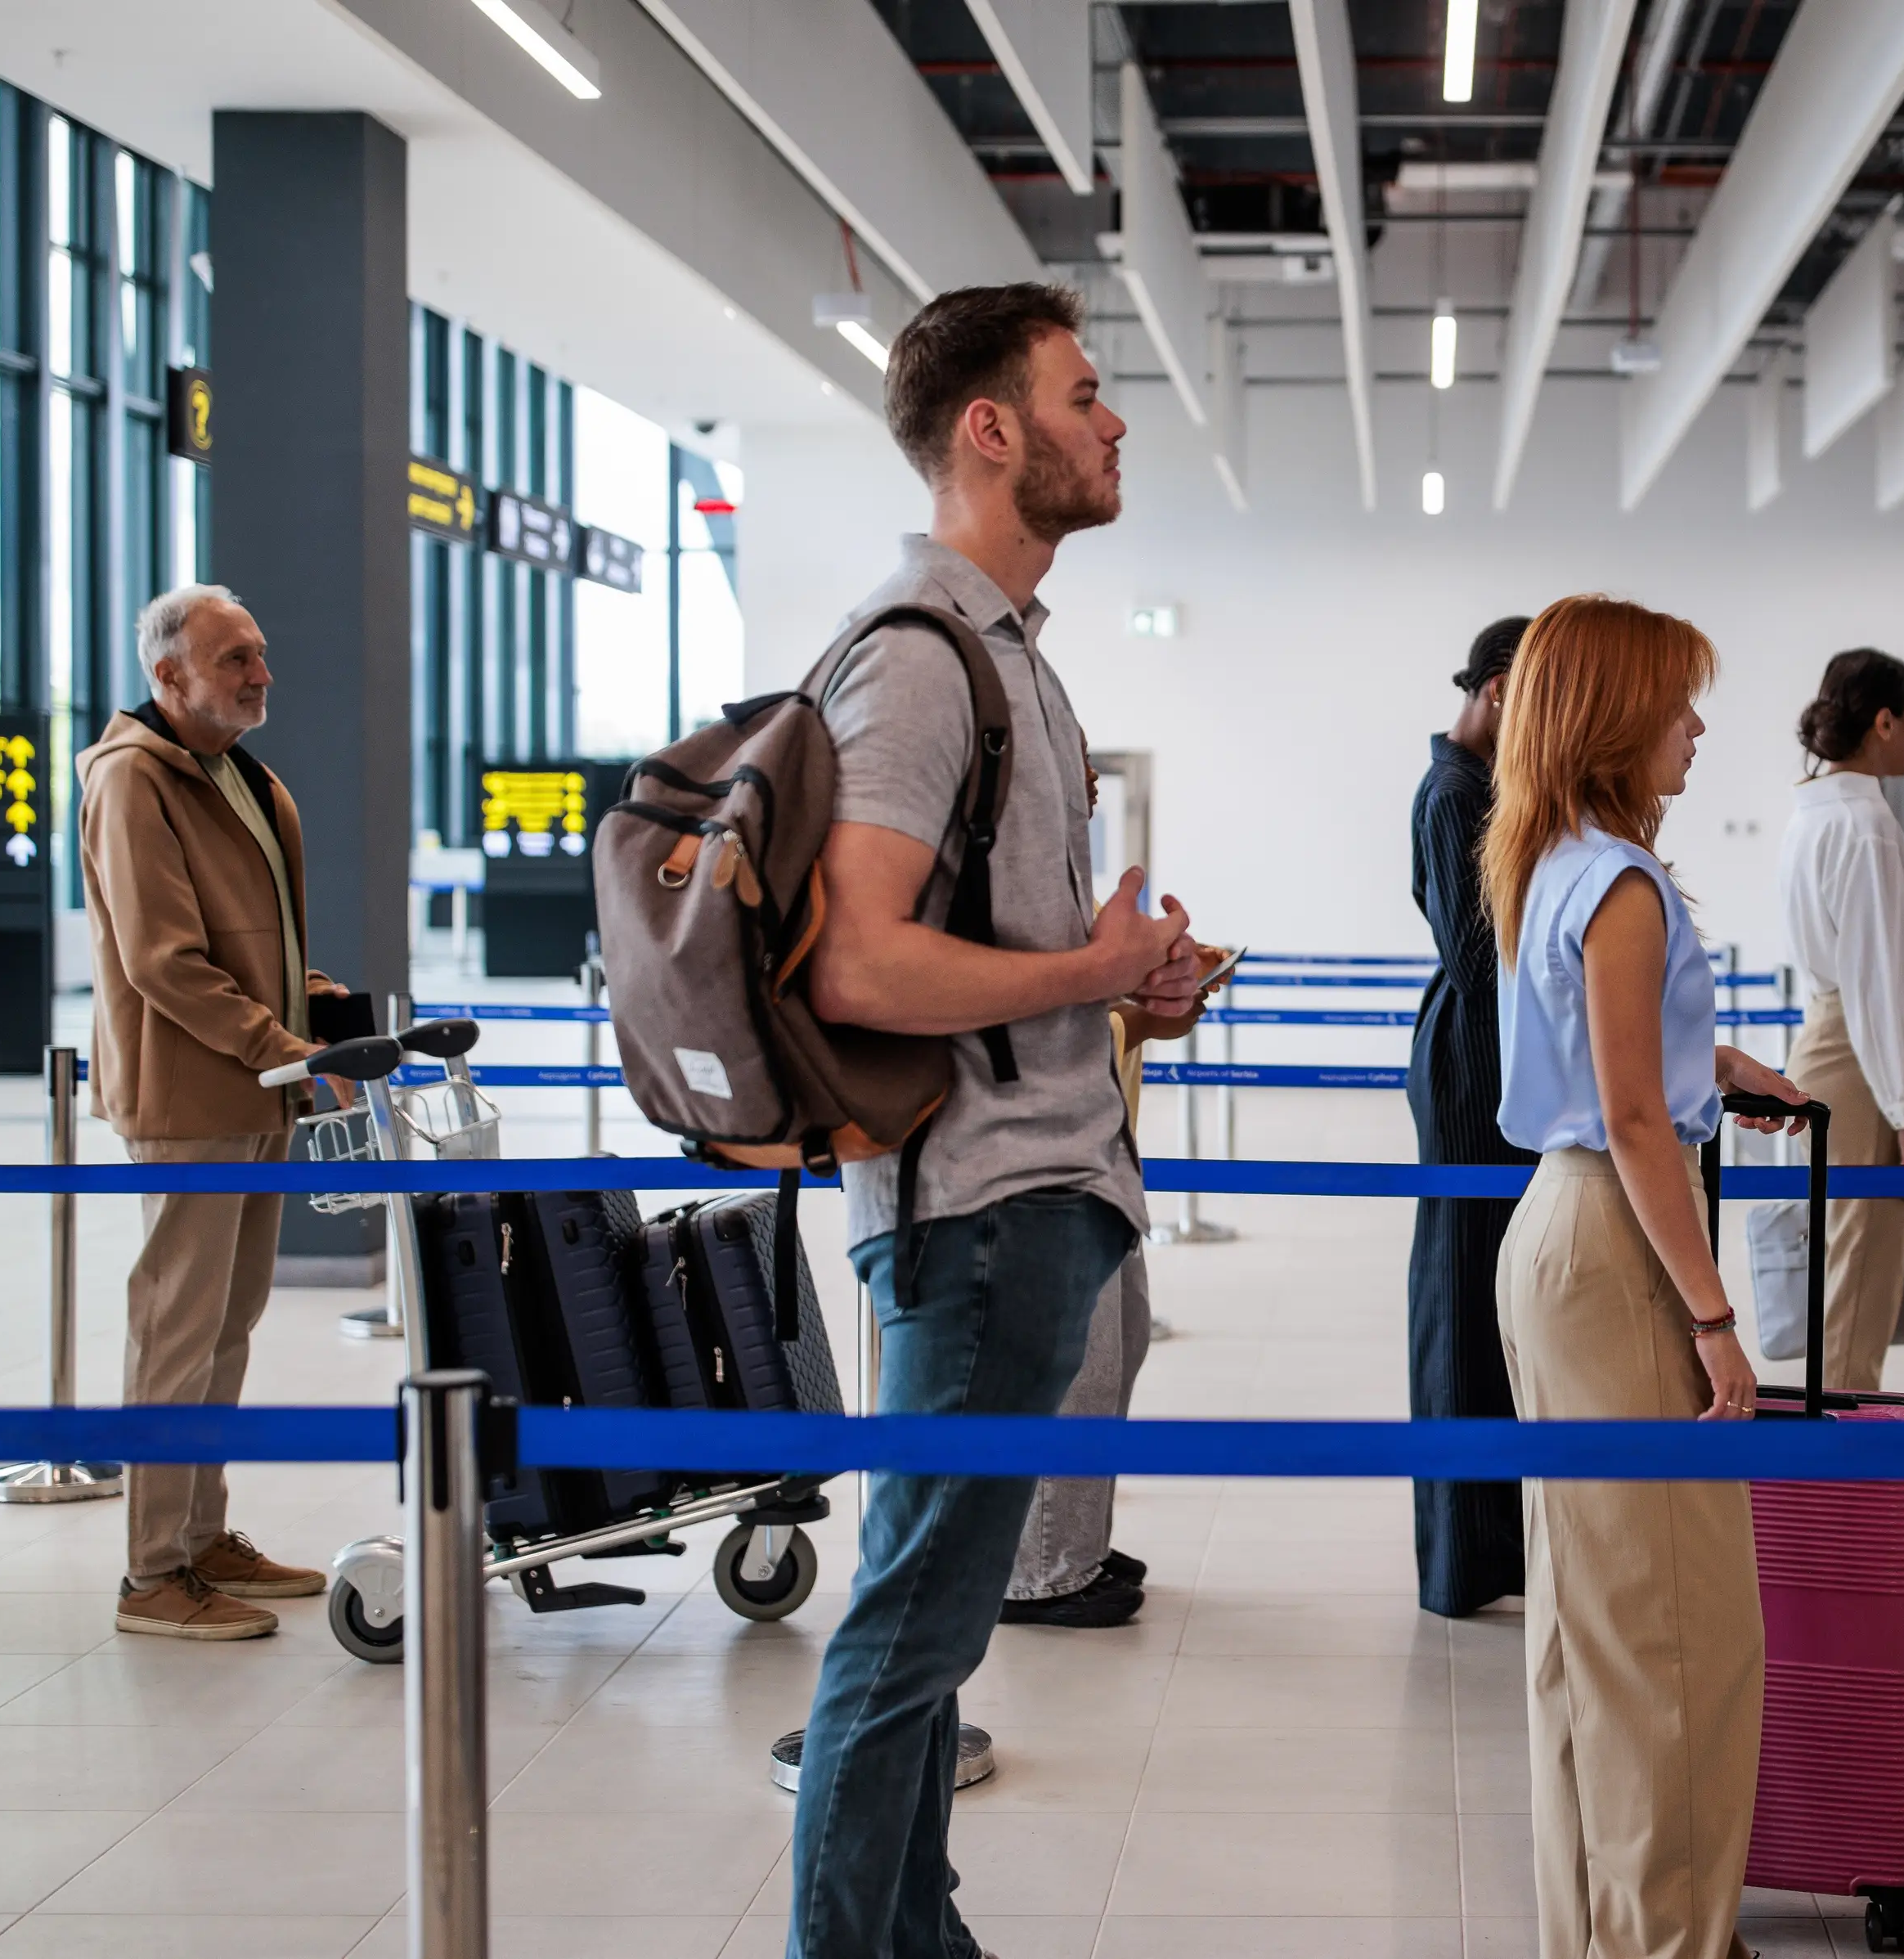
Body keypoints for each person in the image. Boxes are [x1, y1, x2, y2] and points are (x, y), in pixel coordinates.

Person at [784, 282, 1202, 1959]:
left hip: (1029, 1200)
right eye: (1085, 394)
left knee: (933, 1632)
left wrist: (1118, 979)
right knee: (904, 1642)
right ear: (991, 429)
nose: (1113, 425)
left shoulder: (1009, 654)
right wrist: (1084, 969)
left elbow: (992, 954)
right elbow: (861, 962)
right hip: (980, 1211)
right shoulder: (919, 657)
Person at [1485, 594, 1807, 1959]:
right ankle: (1672, 1940)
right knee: (1679, 1640)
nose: (1697, 728)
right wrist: (1718, 1319)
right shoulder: (1619, 880)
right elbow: (1624, 1119)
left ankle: (1609, 1932)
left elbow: (1616, 1074)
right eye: (1679, 703)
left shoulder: (1559, 857)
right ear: (1618, 717)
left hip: (1562, 1232)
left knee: (1592, 1632)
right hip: (1616, 1244)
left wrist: (1713, 1071)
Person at [78, 583, 341, 1641]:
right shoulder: (133, 781)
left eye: (260, 653)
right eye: (234, 658)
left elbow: (251, 940)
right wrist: (282, 1048)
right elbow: (164, 963)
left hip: (253, 1088)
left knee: (228, 1322)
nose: (259, 672)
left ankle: (200, 1533)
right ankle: (152, 1573)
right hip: (194, 1093)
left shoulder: (238, 773)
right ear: (168, 675)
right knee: (177, 1326)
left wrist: (315, 1002)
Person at [1002, 946, 1232, 1629]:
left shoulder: (1057, 859)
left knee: (1116, 1352)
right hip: (1047, 1158)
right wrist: (1141, 1016)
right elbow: (1037, 1025)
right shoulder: (1011, 860)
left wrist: (1155, 979)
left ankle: (1077, 1545)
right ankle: (1040, 1570)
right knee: (1074, 1368)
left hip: (1099, 1148)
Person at [1405, 613, 1538, 1617]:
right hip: (1471, 1071)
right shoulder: (1455, 792)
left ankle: (1500, 1546)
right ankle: (1461, 1562)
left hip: (1494, 1061)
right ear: (1497, 689)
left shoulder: (1485, 786)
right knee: (1461, 1307)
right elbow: (1478, 954)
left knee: (1497, 1312)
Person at [1776, 648, 1904, 1393]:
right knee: (1858, 1273)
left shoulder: (1818, 811)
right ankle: (1839, 1473)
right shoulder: (1864, 823)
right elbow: (1881, 983)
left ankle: (1835, 1459)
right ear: (1882, 722)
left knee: (1847, 1267)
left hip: (1839, 1043)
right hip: (1861, 1054)